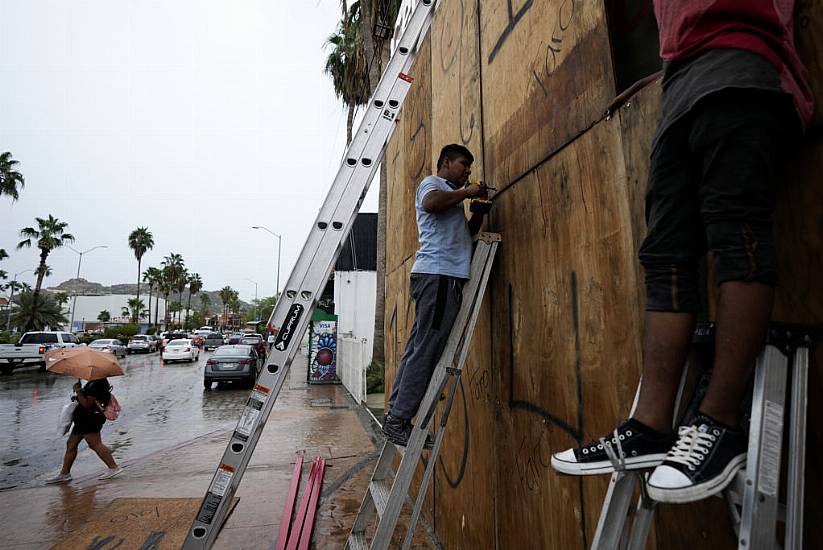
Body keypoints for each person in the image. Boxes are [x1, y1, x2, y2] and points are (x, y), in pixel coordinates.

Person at [551, 1, 812, 504]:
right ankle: (650, 427)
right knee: (665, 257)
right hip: (678, 84)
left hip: (740, 61)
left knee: (738, 238)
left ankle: (719, 423)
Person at [382, 144, 489, 447]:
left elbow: (463, 239)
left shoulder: (451, 199)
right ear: (446, 162)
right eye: (463, 164)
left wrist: (478, 214)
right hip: (439, 276)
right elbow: (430, 204)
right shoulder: (433, 184)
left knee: (419, 347)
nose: (468, 170)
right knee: (427, 349)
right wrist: (467, 192)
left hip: (439, 276)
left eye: (469, 166)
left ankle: (395, 415)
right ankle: (401, 419)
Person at [46, 378, 123, 483]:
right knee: (71, 444)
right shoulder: (93, 382)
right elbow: (86, 399)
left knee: (95, 444)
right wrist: (78, 395)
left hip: (90, 418)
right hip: (82, 419)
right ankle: (65, 474)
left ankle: (113, 467)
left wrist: (78, 390)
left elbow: (87, 403)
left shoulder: (98, 383)